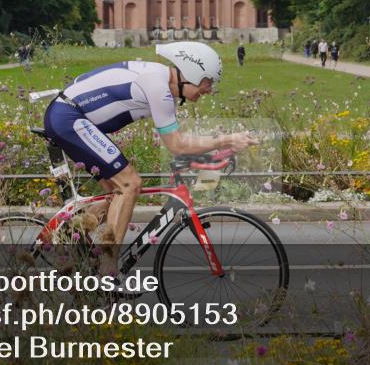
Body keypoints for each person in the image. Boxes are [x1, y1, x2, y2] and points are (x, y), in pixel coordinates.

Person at [41, 42, 257, 274]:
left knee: (117, 195)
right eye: (207, 82)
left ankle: (69, 232)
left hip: (72, 117)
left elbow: (179, 141)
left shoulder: (163, 87)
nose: (209, 89)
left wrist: (214, 151)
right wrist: (227, 140)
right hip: (69, 118)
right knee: (130, 184)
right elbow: (177, 145)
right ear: (192, 73)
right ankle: (108, 270)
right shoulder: (158, 86)